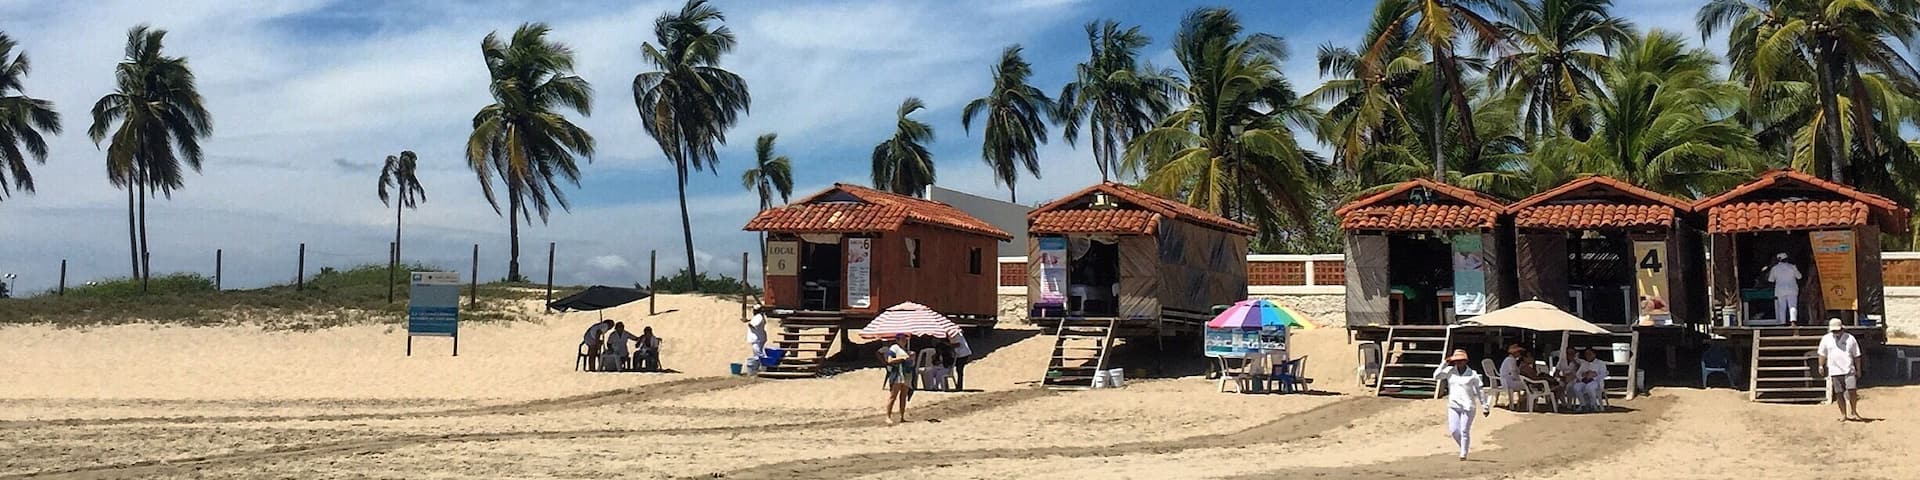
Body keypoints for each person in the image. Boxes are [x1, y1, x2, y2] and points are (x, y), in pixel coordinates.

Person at [1433, 349, 1490, 460]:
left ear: (1465, 361)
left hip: (1468, 406)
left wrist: (1485, 406)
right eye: (1456, 361)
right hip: (1453, 405)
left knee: (1464, 430)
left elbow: (1480, 390)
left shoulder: (1472, 374)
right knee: (1454, 430)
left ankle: (1463, 453)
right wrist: (1444, 363)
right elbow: (1436, 376)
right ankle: (1463, 446)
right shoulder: (1450, 371)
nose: (1458, 363)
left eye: (1461, 360)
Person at [1817, 318, 1864, 421]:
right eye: (1834, 331)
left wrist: (1858, 369)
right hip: (1834, 370)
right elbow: (1822, 353)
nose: (1836, 333)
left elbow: (1857, 355)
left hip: (1849, 369)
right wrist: (1821, 365)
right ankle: (1843, 414)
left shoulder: (1850, 338)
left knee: (1852, 390)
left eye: (1837, 330)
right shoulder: (1826, 339)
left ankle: (1854, 410)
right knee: (1839, 393)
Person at [883, 333, 915, 424]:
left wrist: (911, 358)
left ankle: (902, 416)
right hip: (897, 373)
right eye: (902, 339)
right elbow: (889, 360)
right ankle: (888, 416)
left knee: (903, 396)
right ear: (897, 340)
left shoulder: (905, 350)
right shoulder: (894, 348)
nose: (904, 340)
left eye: (905, 339)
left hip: (905, 374)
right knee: (893, 396)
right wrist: (902, 358)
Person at [1766, 253, 1804, 325]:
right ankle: (1793, 322)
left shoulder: (1775, 268)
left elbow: (1771, 280)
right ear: (1787, 258)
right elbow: (1799, 276)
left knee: (1781, 307)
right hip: (1792, 289)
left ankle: (1782, 322)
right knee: (1792, 306)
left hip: (1780, 290)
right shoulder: (1792, 267)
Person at [1570, 347, 1610, 412]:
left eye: (1590, 354)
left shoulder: (1600, 363)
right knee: (1576, 387)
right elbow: (1578, 374)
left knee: (1590, 388)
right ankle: (1583, 404)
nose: (1588, 356)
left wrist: (1594, 375)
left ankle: (1593, 405)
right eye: (1586, 354)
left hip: (1596, 381)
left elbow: (1604, 373)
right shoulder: (1584, 363)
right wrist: (1583, 376)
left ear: (1594, 354)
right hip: (1584, 381)